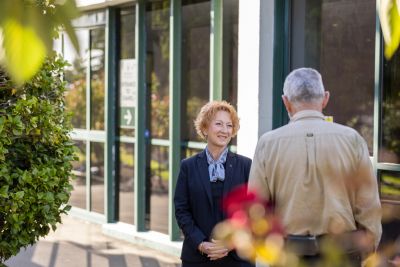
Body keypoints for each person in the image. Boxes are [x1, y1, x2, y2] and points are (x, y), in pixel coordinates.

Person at [248, 68, 382, 266]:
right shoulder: (352, 139)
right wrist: (366, 254)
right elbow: (369, 208)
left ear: (286, 101)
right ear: (325, 98)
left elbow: (256, 209)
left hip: (288, 256)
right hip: (343, 255)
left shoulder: (268, 143)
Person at [174, 100, 255, 267]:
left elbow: (254, 211)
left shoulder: (246, 165)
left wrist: (230, 243)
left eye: (229, 125)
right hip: (197, 258)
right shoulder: (188, 166)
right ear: (204, 128)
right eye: (219, 124)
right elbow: (182, 210)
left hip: (237, 258)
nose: (224, 130)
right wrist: (201, 243)